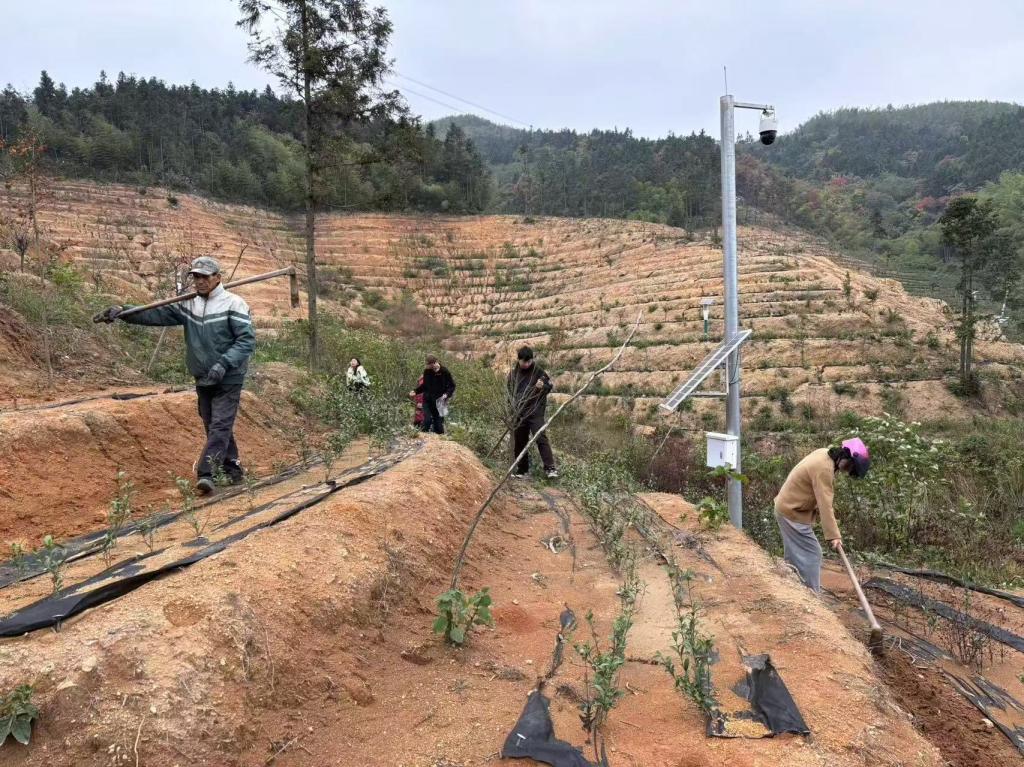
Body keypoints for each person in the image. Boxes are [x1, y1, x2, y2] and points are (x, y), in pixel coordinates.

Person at [97, 256, 256, 495]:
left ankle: (206, 473)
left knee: (220, 424)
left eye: (205, 277)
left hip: (229, 376)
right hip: (203, 376)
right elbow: (156, 315)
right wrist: (124, 312)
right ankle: (232, 469)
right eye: (196, 277)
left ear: (217, 278)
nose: (200, 281)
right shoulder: (188, 304)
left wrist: (223, 364)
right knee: (212, 423)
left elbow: (246, 341)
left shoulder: (234, 304)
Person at [773, 438, 871, 592]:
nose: (848, 471)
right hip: (792, 512)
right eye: (850, 466)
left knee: (795, 553)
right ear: (845, 456)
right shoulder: (824, 470)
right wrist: (834, 536)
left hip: (789, 508)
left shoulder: (824, 454)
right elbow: (825, 504)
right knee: (813, 553)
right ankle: (812, 593)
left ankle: (792, 587)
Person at [508, 345, 557, 479]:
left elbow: (548, 386)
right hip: (520, 412)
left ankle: (550, 468)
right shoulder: (513, 374)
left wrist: (542, 386)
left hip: (536, 411)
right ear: (519, 360)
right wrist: (512, 411)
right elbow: (510, 394)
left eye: (529, 361)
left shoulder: (538, 371)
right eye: (524, 362)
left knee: (540, 437)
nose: (526, 364)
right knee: (520, 440)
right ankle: (522, 470)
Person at [410, 355, 456, 434]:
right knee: (427, 421)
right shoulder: (427, 371)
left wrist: (447, 394)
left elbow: (452, 386)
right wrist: (415, 391)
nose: (427, 367)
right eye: (427, 365)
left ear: (434, 363)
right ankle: (422, 436)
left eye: (429, 365)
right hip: (428, 400)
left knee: (439, 427)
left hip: (440, 401)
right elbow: (424, 386)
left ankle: (439, 438)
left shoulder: (445, 371)